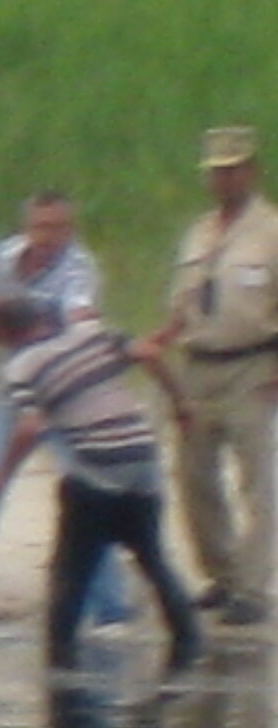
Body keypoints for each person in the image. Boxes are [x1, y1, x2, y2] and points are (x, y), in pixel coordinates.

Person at [0, 296, 202, 675]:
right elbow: (149, 354)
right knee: (153, 557)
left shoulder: (22, 367)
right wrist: (180, 404)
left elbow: (31, 426)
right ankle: (189, 645)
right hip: (142, 459)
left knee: (72, 570)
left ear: (5, 335)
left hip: (97, 471)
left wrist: (1, 472)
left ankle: (59, 662)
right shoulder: (94, 336)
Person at [0, 191, 131, 629]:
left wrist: (93, 340)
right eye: (41, 227)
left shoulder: (78, 269)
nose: (50, 237)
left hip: (66, 397)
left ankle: (108, 609)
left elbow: (83, 315)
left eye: (59, 228)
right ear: (27, 228)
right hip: (16, 392)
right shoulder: (7, 257)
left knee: (87, 493)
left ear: (71, 230)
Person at [146, 125, 278, 627]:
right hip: (197, 365)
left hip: (252, 365)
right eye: (217, 172)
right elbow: (184, 301)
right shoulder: (199, 232)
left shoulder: (271, 232)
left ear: (252, 170)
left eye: (234, 169)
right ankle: (220, 576)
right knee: (194, 476)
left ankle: (253, 586)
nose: (225, 179)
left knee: (256, 482)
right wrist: (162, 337)